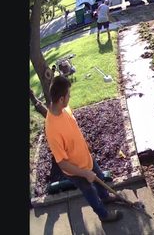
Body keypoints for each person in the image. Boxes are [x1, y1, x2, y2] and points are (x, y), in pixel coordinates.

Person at [45, 76, 122, 223]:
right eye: (68, 95)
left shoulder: (64, 109)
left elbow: (73, 129)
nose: (70, 97)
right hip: (76, 170)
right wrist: (84, 173)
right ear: (61, 99)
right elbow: (62, 164)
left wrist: (85, 144)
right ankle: (103, 215)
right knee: (90, 192)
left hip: (86, 158)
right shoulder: (52, 129)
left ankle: (105, 198)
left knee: (99, 179)